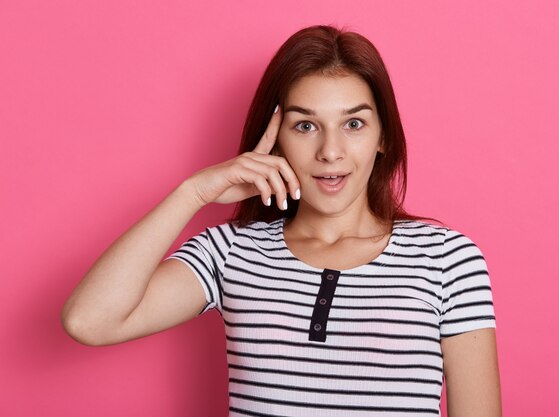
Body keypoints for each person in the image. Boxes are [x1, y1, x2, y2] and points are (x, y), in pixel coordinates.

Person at [62, 25, 502, 417]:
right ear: (275, 140)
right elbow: (89, 321)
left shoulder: (447, 259)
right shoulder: (232, 251)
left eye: (353, 124)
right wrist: (193, 193)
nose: (331, 151)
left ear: (383, 135)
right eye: (305, 126)